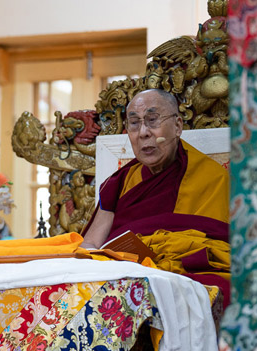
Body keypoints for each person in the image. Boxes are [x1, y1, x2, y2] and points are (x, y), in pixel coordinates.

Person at [81, 89, 231, 304]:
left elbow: (220, 250)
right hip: (125, 277)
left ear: (178, 126)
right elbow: (91, 245)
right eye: (134, 123)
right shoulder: (119, 183)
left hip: (184, 275)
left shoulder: (213, 178)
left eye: (152, 120)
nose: (143, 132)